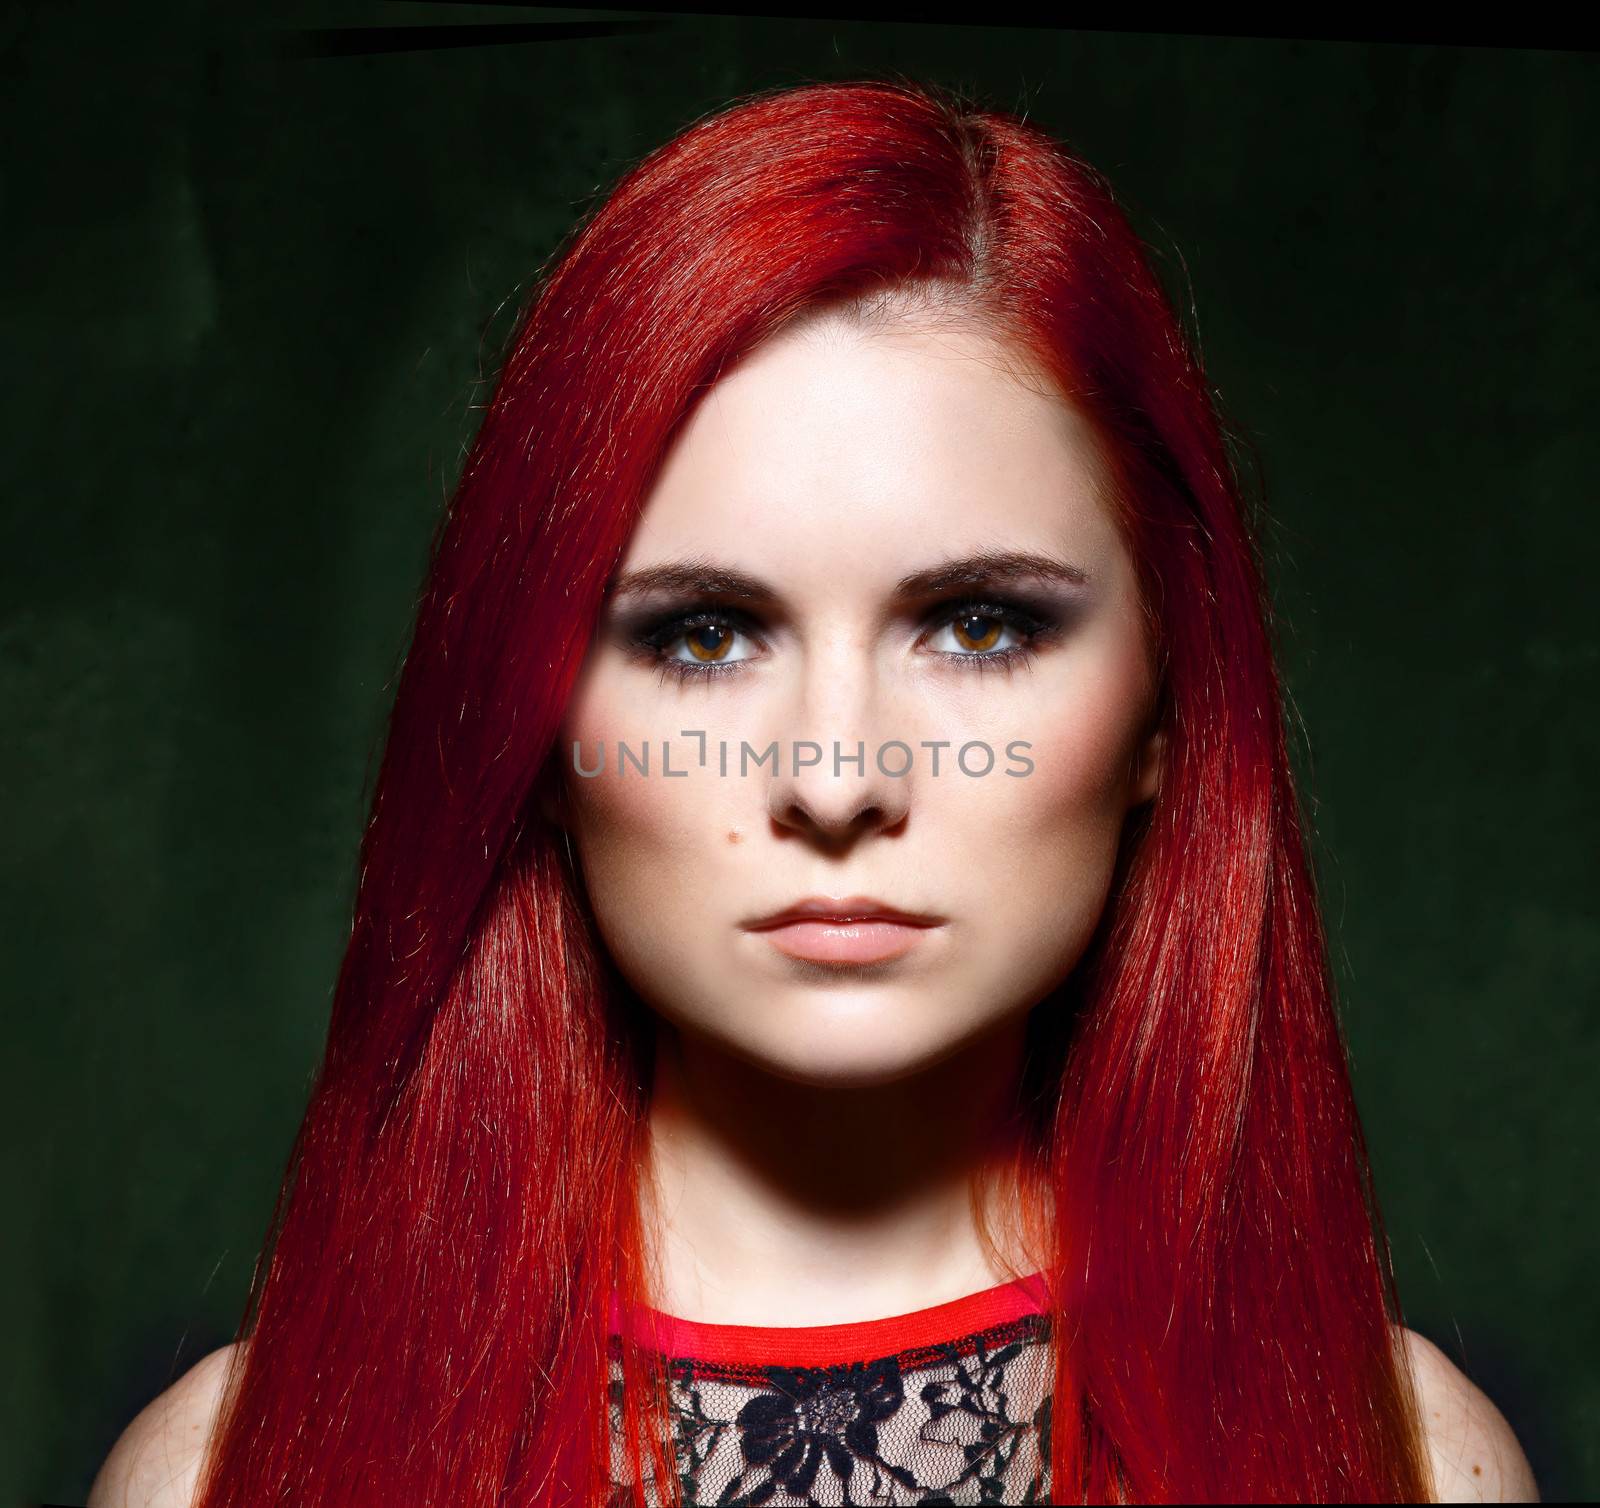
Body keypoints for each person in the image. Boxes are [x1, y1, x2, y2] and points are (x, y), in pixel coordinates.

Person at [88, 77, 1540, 1506]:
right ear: (534, 735)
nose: (835, 777)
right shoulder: (221, 1478)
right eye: (700, 635)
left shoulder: (1414, 1464)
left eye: (980, 625)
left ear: (1168, 706)